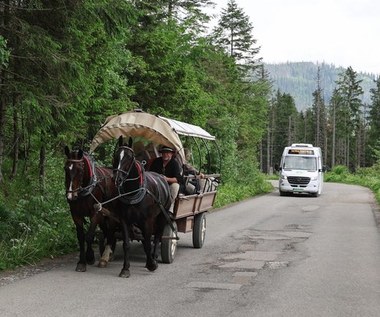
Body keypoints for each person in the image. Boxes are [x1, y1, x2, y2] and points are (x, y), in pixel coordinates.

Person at [148, 146, 182, 213]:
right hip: (156, 184)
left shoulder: (174, 164)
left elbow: (178, 179)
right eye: (163, 153)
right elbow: (150, 173)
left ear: (171, 154)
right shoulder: (156, 161)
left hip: (169, 185)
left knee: (175, 186)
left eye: (167, 153)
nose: (165, 154)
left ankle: (168, 207)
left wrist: (166, 179)